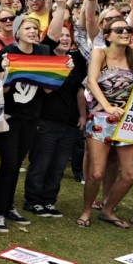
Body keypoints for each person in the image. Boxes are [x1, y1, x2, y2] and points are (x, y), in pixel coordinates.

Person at [0, 11, 63, 232]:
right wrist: (6, 72)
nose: (32, 32)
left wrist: (62, 74)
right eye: (27, 28)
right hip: (10, 117)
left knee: (18, 164)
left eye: (35, 28)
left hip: (32, 118)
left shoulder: (42, 51)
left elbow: (48, 89)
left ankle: (9, 207)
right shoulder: (7, 52)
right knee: (8, 164)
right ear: (17, 33)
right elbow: (0, 90)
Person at [80, 17, 133, 229]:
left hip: (131, 120)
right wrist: (107, 106)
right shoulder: (101, 53)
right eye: (119, 30)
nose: (126, 32)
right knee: (96, 173)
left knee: (129, 174)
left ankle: (108, 210)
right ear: (107, 36)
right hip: (101, 118)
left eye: (128, 29)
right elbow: (91, 81)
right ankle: (87, 209)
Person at [22, 21, 87, 219]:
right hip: (47, 120)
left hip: (70, 122)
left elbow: (79, 91)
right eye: (62, 35)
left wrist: (83, 115)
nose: (65, 39)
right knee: (41, 162)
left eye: (68, 35)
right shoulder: (46, 57)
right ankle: (33, 201)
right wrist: (62, 70)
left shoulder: (78, 60)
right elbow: (48, 89)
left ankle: (49, 201)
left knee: (58, 165)